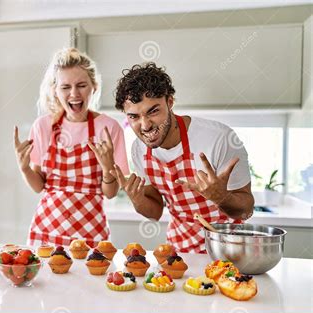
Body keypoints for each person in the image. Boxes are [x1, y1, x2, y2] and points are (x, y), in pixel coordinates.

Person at [111, 63, 254, 253]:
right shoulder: (139, 150)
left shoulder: (219, 139)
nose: (145, 126)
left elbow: (246, 211)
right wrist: (137, 200)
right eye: (134, 117)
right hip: (179, 253)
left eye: (153, 111)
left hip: (228, 251)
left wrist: (222, 197)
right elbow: (155, 211)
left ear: (170, 102)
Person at [14, 48, 129, 247]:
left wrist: (108, 168)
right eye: (65, 87)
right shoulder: (43, 127)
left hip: (91, 235)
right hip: (46, 233)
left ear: (94, 86)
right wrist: (24, 168)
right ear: (55, 91)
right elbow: (39, 186)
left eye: (81, 85)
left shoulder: (108, 128)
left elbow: (110, 193)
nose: (74, 94)